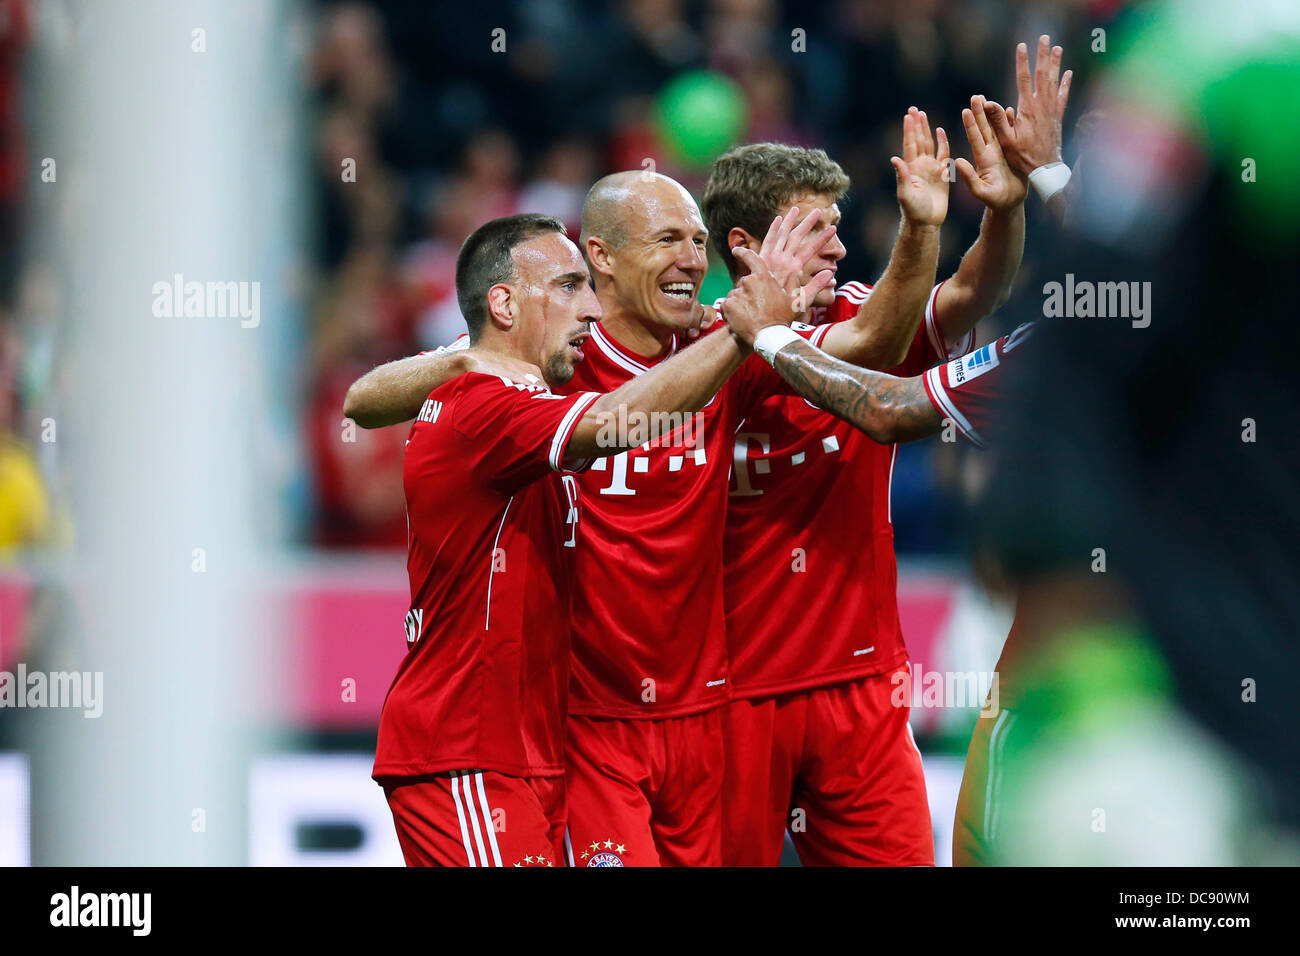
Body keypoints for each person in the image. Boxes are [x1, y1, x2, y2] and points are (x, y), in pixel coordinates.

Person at [347, 121, 946, 864]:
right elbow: (367, 397)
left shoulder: (712, 344)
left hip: (703, 716)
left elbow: (867, 350)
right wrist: (465, 361)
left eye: (699, 242)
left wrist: (919, 231)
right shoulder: (540, 368)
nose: (692, 260)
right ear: (601, 257)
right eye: (668, 240)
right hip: (586, 725)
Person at [698, 39, 1061, 866]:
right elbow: (868, 337)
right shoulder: (701, 352)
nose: (835, 249)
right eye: (815, 230)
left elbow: (969, 295)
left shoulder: (859, 316)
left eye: (835, 228)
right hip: (729, 692)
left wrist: (1002, 211)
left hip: (861, 688)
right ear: (749, 244)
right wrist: (920, 226)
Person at [373, 212, 818, 866]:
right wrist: (740, 336)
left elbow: (364, 398)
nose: (589, 308)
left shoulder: (509, 401)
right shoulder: (488, 409)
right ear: (502, 303)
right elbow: (621, 419)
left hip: (522, 753)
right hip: (469, 750)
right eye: (566, 287)